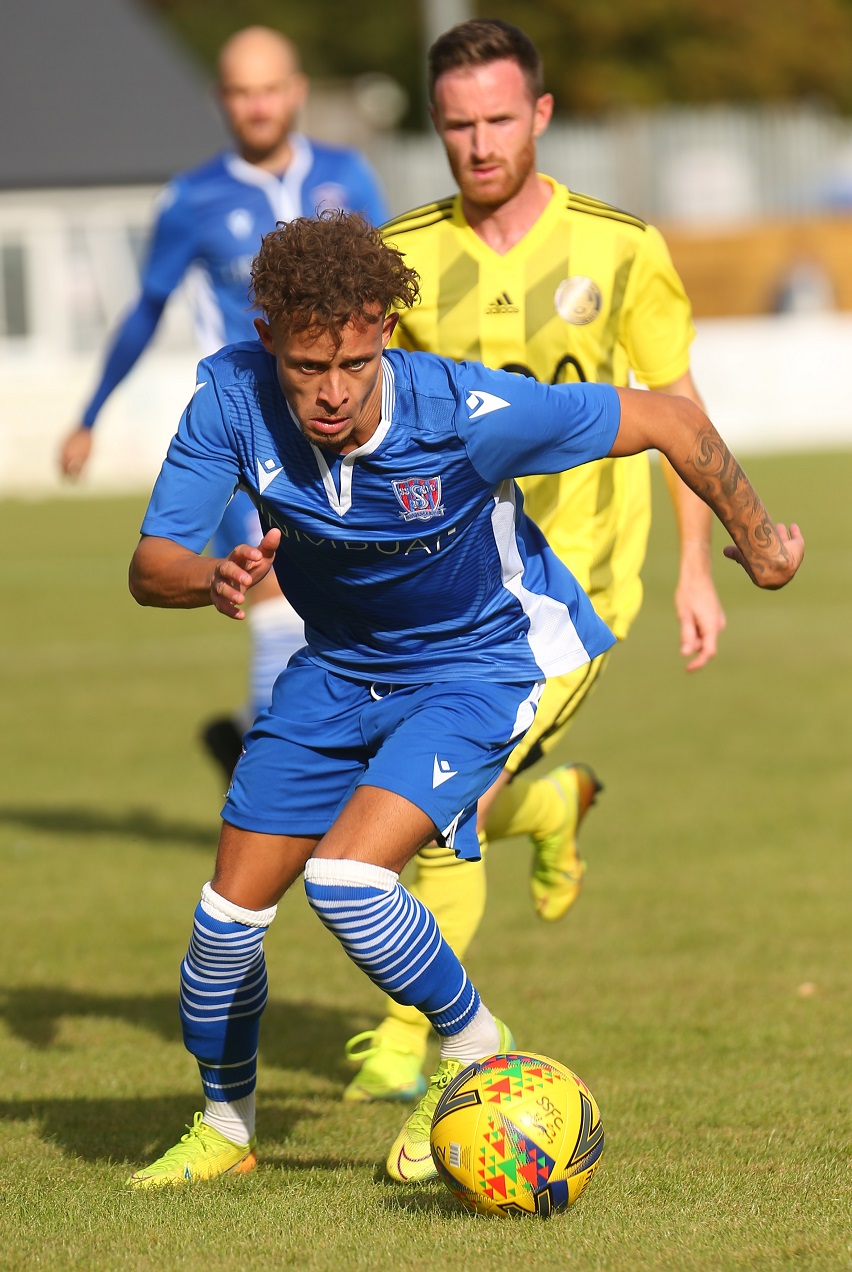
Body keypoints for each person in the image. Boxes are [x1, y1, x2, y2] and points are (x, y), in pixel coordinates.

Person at [125, 209, 802, 1188]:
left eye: (353, 362)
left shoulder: (466, 412)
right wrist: (211, 582)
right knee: (221, 931)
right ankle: (226, 1133)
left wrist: (765, 540)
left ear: (382, 331)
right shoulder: (229, 400)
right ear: (268, 338)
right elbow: (152, 566)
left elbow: (670, 417)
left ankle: (476, 1050)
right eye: (307, 366)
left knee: (349, 883)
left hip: (473, 669)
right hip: (334, 669)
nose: (332, 390)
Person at [342, 17, 728, 1108]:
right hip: (453, 590)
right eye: (458, 124)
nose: (479, 143)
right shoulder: (400, 260)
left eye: (500, 118)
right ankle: (551, 809)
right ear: (437, 127)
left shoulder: (619, 247)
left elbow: (677, 414)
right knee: (410, 798)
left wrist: (696, 566)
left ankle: (412, 1044)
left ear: (542, 116)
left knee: (440, 799)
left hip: (578, 595)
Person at [58, 26, 388, 765]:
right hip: (254, 437)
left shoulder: (349, 176)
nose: (258, 106)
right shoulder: (192, 199)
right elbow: (146, 308)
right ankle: (282, 793)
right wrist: (89, 415)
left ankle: (247, 735)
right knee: (273, 612)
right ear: (222, 101)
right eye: (242, 91)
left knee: (350, 612)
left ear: (296, 92)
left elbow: (390, 295)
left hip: (347, 428)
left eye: (270, 89)